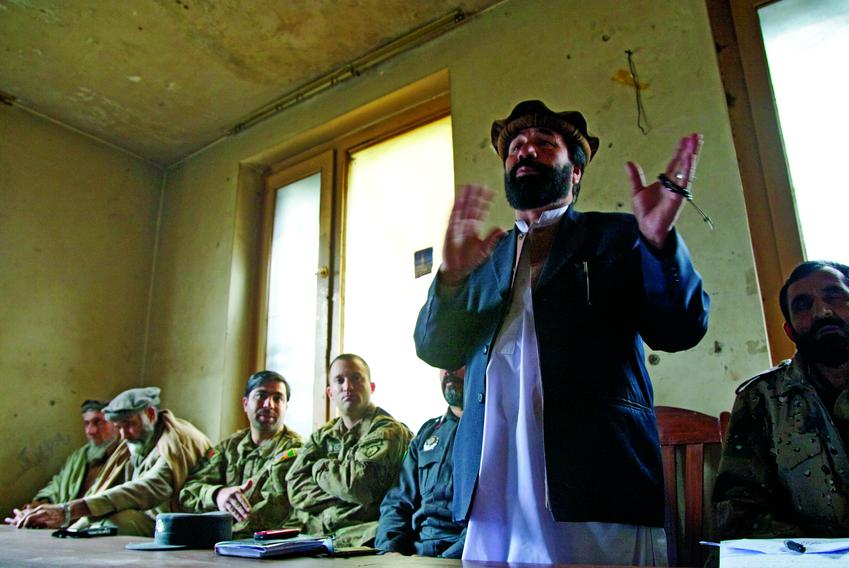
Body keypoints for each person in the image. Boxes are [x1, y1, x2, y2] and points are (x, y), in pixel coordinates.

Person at [414, 100, 710, 564]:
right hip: (493, 485)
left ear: (575, 172)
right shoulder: (484, 257)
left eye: (543, 143)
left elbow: (681, 328)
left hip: (598, 479)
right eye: (515, 147)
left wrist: (658, 246)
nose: (525, 151)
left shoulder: (616, 236)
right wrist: (450, 280)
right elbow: (435, 348)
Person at [714, 261, 849, 553]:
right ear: (790, 331)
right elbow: (740, 510)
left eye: (834, 297)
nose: (821, 312)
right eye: (803, 305)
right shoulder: (762, 400)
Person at [15, 386, 212, 536]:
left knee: (110, 524)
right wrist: (66, 522)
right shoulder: (134, 440)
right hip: (148, 516)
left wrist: (69, 511)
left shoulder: (177, 441)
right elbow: (106, 487)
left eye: (129, 425)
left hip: (176, 523)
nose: (124, 434)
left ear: (150, 414)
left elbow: (148, 488)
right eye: (119, 427)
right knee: (88, 525)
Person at [284, 354, 412, 547]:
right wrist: (345, 498)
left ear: (372, 387)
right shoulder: (322, 436)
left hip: (365, 537)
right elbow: (295, 488)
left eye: (356, 378)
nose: (348, 386)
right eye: (340, 380)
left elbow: (359, 486)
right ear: (330, 392)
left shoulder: (387, 430)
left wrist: (319, 467)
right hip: (318, 536)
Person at [180, 370, 303, 536]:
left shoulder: (297, 451)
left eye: (278, 398)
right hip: (220, 544)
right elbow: (187, 493)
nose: (269, 405)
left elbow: (273, 513)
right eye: (261, 396)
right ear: (245, 404)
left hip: (268, 547)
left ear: (285, 407)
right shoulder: (228, 447)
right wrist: (217, 494)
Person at [375, 367, 466, 557]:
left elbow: (492, 520)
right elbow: (397, 502)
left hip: (462, 555)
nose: (449, 370)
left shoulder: (495, 430)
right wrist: (389, 552)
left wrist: (444, 561)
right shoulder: (428, 433)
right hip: (417, 553)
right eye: (443, 364)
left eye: (457, 362)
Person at [4, 400, 118, 526]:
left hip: (93, 523)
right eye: (86, 424)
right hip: (63, 519)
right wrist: (38, 506)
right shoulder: (79, 456)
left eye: (98, 422)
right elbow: (57, 485)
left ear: (115, 424)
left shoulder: (123, 457)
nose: (91, 431)